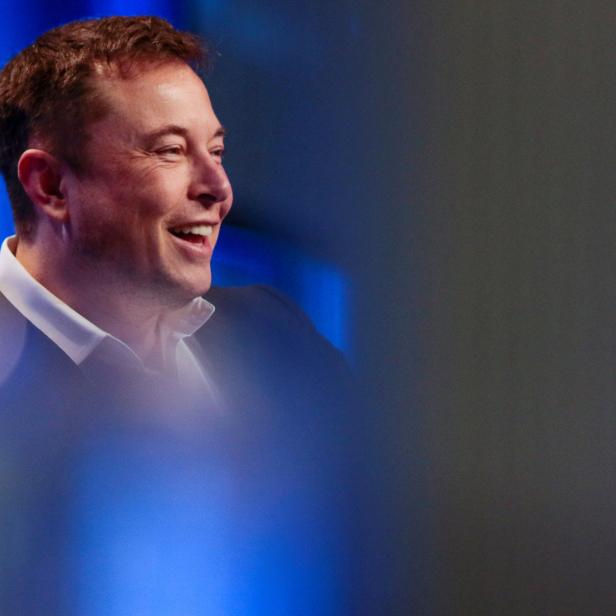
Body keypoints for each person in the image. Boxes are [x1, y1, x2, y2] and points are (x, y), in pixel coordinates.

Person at [0, 16, 355, 613]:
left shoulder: (275, 334)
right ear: (51, 185)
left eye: (215, 151)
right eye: (170, 151)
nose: (218, 187)